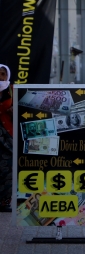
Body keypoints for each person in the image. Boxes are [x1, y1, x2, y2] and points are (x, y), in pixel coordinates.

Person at [0, 64, 13, 212]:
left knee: (8, 168)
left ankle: (4, 202)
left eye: (3, 74)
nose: (0, 77)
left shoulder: (12, 91)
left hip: (7, 135)